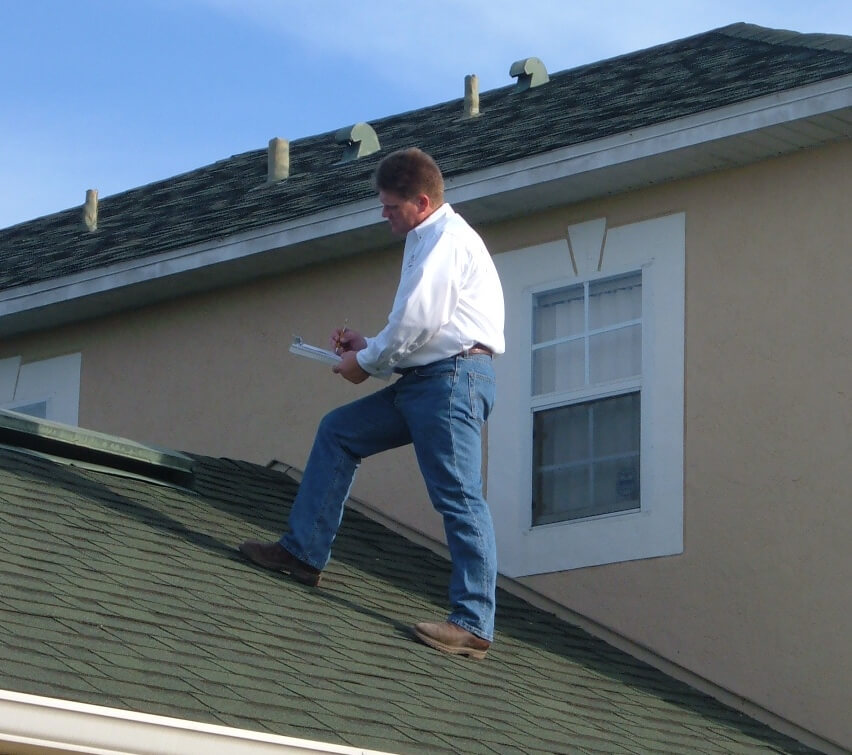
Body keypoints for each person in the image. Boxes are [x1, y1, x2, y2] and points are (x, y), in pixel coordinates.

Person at [239, 147, 505, 659]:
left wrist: (368, 362)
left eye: (391, 206)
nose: (384, 214)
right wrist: (371, 348)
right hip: (430, 378)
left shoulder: (444, 241)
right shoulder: (430, 236)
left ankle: (473, 622)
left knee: (458, 495)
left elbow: (417, 322)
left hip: (451, 381)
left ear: (422, 201)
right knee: (339, 432)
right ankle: (302, 554)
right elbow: (420, 325)